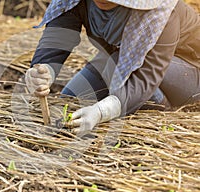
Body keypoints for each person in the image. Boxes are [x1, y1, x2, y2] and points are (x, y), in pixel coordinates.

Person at [25, 0, 200, 133]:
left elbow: (148, 74)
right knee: (71, 100)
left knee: (118, 70)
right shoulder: (76, 3)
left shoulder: (162, 11)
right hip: (117, 60)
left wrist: (102, 111)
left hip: (187, 72)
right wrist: (44, 69)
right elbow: (59, 37)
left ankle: (160, 105)